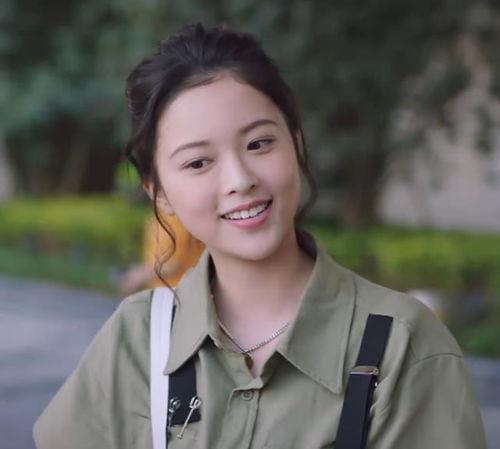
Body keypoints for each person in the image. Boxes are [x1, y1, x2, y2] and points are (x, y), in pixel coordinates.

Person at [33, 23, 486, 448]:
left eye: (258, 143)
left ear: (297, 144)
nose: (239, 179)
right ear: (159, 192)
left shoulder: (402, 347)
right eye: (198, 162)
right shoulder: (137, 339)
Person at [117, 213, 205, 294]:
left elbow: (171, 265)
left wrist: (138, 276)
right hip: (164, 293)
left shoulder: (173, 219)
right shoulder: (160, 217)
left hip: (176, 295)